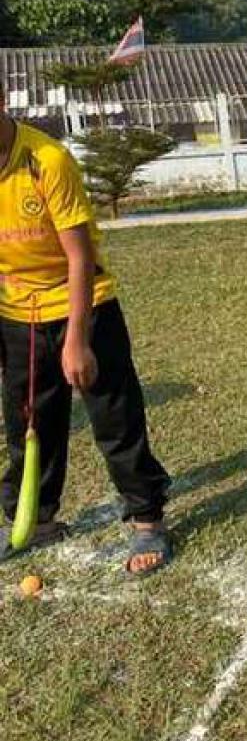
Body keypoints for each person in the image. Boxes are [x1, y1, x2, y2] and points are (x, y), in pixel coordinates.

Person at [0, 86, 171, 576]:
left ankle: (146, 517)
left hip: (83, 304)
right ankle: (36, 518)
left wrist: (77, 339)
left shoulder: (47, 160)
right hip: (18, 313)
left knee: (115, 419)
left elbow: (79, 256)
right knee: (29, 423)